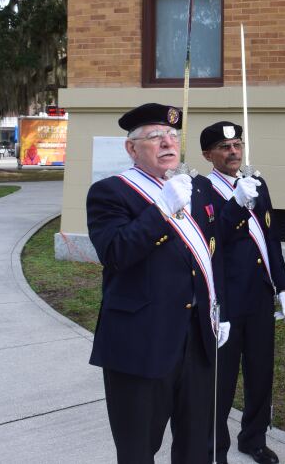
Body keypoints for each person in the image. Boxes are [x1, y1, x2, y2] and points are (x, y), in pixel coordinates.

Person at [86, 102, 230, 464]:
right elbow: (116, 253)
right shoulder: (110, 193)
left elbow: (211, 255)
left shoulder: (196, 188)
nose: (168, 143)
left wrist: (219, 308)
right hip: (140, 341)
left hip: (197, 337)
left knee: (197, 442)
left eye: (172, 136)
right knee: (138, 448)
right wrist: (161, 209)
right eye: (155, 137)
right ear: (131, 148)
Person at [200, 121, 285, 464]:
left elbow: (270, 237)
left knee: (260, 374)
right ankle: (214, 448)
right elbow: (213, 241)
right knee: (221, 382)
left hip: (258, 296)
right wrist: (237, 204)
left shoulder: (256, 182)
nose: (233, 152)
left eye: (237, 145)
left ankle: (254, 438)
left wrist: (283, 285)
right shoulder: (201, 189)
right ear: (208, 154)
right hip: (225, 299)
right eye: (225, 148)